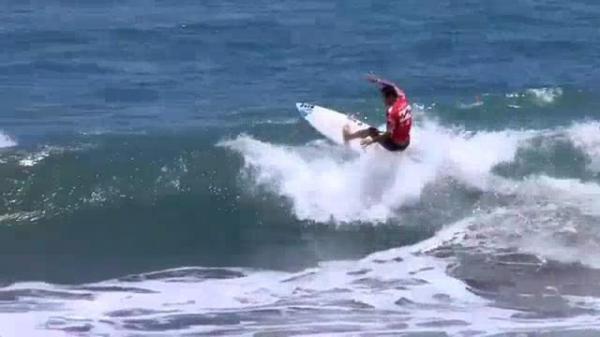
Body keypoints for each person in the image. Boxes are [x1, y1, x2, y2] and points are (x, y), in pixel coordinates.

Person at [343, 75, 412, 151]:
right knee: (395, 128)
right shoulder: (403, 99)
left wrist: (372, 140)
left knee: (371, 131)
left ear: (391, 97)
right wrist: (378, 81)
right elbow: (393, 86)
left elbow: (389, 133)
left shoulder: (392, 112)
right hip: (406, 142)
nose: (384, 101)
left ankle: (348, 136)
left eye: (384, 97)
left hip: (395, 146)